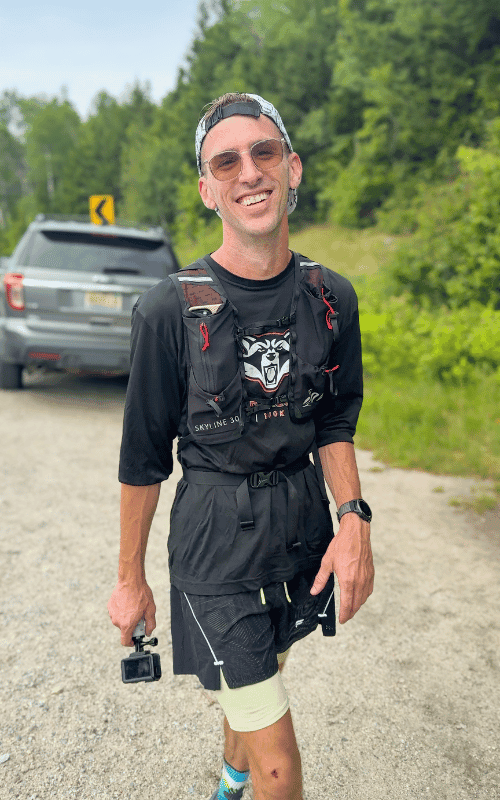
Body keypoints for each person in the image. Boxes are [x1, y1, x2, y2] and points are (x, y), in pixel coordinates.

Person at [108, 92, 374, 800]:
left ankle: (229, 778)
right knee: (280, 765)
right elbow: (142, 460)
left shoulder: (331, 297)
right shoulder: (168, 309)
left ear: (292, 168)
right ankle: (252, 777)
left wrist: (353, 520)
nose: (248, 172)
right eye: (225, 162)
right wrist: (130, 578)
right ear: (206, 190)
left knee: (262, 673)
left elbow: (335, 421)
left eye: (263, 153)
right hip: (216, 545)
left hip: (300, 531)